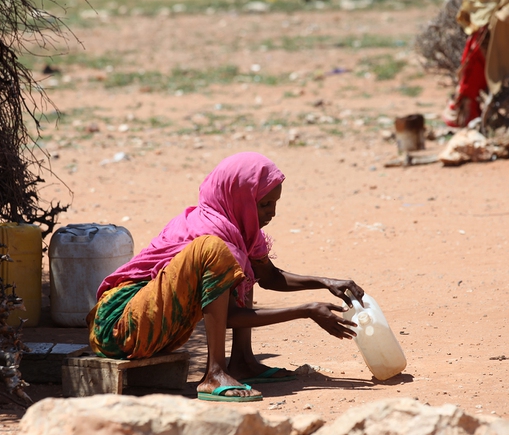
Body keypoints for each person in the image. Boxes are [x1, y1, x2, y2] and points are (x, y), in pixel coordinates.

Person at [87, 152, 365, 402]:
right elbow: (229, 316)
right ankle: (214, 373)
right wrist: (306, 310)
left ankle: (242, 361)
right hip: (117, 328)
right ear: (240, 199)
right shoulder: (210, 232)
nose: (273, 212)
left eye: (275, 203)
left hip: (155, 327)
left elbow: (268, 277)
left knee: (245, 268)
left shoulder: (239, 232)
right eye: (265, 204)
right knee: (218, 253)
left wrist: (325, 282)